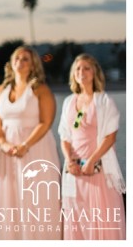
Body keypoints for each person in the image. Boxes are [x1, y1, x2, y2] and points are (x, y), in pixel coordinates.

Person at [0, 45, 61, 240]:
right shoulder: (1, 90)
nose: (20, 62)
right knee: (10, 200)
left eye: (25, 59)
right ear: (11, 63)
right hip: (7, 152)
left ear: (33, 65)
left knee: (36, 200)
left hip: (36, 148)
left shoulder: (40, 89)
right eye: (17, 58)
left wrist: (25, 145)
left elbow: (46, 122)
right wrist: (3, 143)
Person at [58, 54, 125, 240]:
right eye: (78, 69)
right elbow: (65, 135)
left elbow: (110, 137)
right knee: (77, 220)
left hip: (97, 169)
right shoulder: (68, 102)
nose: (82, 72)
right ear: (73, 74)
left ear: (95, 72)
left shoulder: (105, 102)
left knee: (101, 218)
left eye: (87, 68)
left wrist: (92, 162)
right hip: (75, 171)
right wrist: (69, 160)